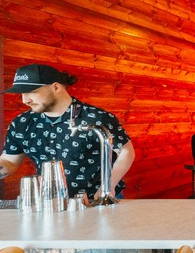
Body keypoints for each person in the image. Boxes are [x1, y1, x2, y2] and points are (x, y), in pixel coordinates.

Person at [0, 64, 135, 199]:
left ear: (56, 87)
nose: (25, 100)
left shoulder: (97, 118)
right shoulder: (21, 123)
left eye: (31, 91)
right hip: (51, 202)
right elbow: (10, 161)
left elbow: (126, 152)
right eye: (22, 93)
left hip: (96, 199)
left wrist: (108, 186)